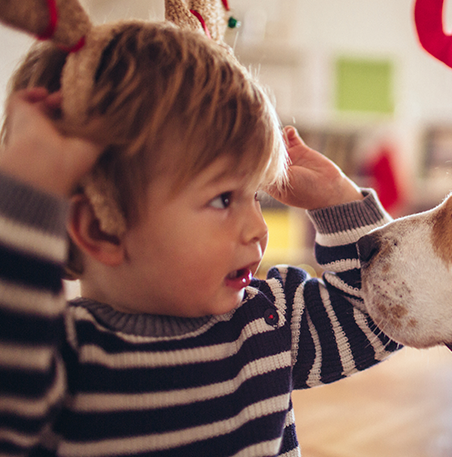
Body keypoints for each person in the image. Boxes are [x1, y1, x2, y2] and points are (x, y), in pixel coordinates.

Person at [0, 22, 400, 456]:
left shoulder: (268, 320)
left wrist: (340, 203)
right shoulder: (56, 362)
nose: (259, 230)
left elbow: (380, 316)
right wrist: (28, 199)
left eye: (256, 197)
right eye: (223, 199)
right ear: (103, 227)